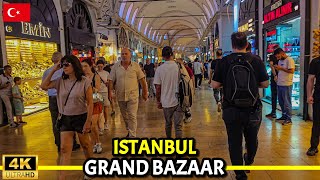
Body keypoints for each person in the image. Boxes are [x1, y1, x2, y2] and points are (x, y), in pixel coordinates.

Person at [212, 32, 269, 180]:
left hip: (231, 109)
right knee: (252, 139)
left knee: (234, 142)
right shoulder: (256, 60)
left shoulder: (224, 61)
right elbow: (265, 84)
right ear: (247, 44)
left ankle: (239, 174)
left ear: (232, 45)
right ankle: (249, 159)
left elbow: (215, 84)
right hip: (253, 109)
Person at [41, 55, 93, 180]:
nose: (64, 67)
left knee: (85, 145)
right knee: (64, 149)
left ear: (74, 65)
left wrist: (88, 121)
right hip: (65, 118)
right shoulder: (60, 81)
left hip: (81, 117)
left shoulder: (84, 81)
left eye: (66, 64)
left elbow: (90, 102)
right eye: (62, 65)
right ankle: (62, 177)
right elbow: (44, 86)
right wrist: (54, 69)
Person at [42, 52, 80, 152]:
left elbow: (44, 87)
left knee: (56, 121)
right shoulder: (63, 70)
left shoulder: (47, 71)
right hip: (62, 97)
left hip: (52, 98)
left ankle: (59, 143)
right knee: (67, 119)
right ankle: (72, 143)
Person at [108, 48, 148, 138]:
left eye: (126, 54)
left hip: (132, 95)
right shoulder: (116, 67)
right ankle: (130, 131)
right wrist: (110, 92)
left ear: (130, 55)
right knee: (125, 116)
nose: (124, 56)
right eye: (122, 54)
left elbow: (142, 80)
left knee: (132, 115)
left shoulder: (135, 66)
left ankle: (132, 136)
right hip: (120, 95)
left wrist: (145, 92)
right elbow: (111, 80)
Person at [154, 46, 184, 138]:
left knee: (168, 123)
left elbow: (158, 87)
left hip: (166, 101)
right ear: (172, 54)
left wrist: (158, 101)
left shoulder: (160, 69)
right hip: (179, 100)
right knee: (178, 126)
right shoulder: (178, 67)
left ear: (163, 56)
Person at [82, 59, 103, 154]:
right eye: (82, 66)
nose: (84, 68)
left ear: (90, 66)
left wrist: (88, 86)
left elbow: (97, 89)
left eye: (86, 66)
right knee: (89, 125)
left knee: (93, 124)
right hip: (84, 104)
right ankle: (95, 143)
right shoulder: (81, 77)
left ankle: (98, 142)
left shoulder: (95, 77)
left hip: (95, 103)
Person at [273, 48, 295, 125]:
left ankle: (289, 118)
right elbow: (281, 71)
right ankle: (284, 115)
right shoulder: (279, 61)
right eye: (276, 57)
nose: (277, 58)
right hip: (279, 83)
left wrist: (281, 68)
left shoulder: (290, 60)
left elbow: (292, 71)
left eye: (278, 56)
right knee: (281, 101)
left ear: (282, 53)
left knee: (287, 102)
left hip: (287, 84)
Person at [306, 56, 320, 156]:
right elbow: (310, 79)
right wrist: (309, 95)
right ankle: (313, 146)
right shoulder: (316, 62)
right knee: (317, 122)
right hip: (319, 95)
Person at [177, 58, 194, 123]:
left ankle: (187, 115)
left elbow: (192, 77)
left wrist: (193, 87)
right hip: (185, 88)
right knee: (185, 101)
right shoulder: (185, 69)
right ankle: (186, 115)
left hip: (186, 88)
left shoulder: (186, 69)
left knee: (186, 101)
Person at [266, 45, 280, 118]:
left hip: (276, 77)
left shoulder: (272, 56)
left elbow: (272, 66)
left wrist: (274, 75)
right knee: (279, 94)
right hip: (281, 76)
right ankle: (283, 113)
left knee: (274, 94)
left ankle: (274, 112)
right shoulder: (281, 56)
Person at [96, 60, 110, 132]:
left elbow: (109, 82)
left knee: (106, 107)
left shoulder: (106, 73)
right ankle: (99, 126)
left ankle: (106, 122)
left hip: (105, 92)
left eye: (101, 66)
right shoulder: (95, 73)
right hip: (97, 93)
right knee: (98, 110)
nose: (100, 68)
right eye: (99, 66)